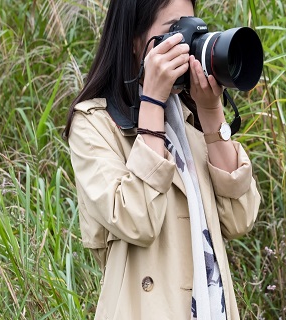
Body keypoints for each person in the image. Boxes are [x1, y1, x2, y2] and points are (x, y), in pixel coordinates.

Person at [62, 0, 261, 318]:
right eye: (173, 31)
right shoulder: (94, 124)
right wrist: (151, 101)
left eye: (192, 26)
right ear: (133, 41)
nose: (187, 44)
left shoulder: (189, 116)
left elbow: (241, 218)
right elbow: (137, 219)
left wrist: (210, 113)